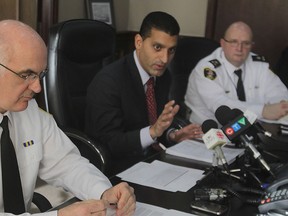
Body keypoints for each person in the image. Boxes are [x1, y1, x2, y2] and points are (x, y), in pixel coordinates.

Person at [0, 20, 135, 215]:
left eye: (40, 74)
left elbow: (66, 163)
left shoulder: (29, 111)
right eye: (26, 74)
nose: (37, 88)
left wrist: (103, 192)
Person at [85, 11, 203, 175]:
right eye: (157, 47)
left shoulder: (163, 76)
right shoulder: (109, 82)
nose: (164, 59)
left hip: (152, 160)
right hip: (117, 167)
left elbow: (153, 123)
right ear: (139, 42)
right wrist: (153, 131)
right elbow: (110, 144)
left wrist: (172, 135)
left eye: (171, 50)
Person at [185, 21, 288, 125]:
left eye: (246, 43)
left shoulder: (259, 65)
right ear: (223, 43)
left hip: (250, 129)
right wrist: (263, 111)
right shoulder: (206, 69)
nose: (239, 48)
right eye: (234, 42)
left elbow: (279, 93)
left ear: (251, 45)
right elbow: (221, 106)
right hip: (209, 132)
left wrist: (282, 106)